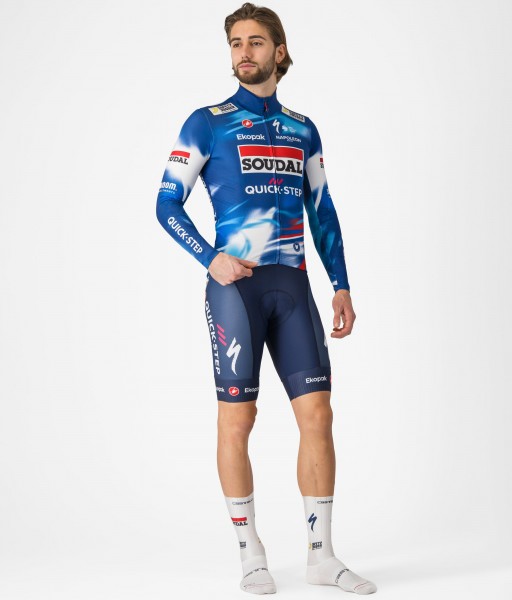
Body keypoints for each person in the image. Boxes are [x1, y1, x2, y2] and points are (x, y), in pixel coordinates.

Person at [156, 3, 377, 595]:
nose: (243, 52)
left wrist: (341, 283)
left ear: (279, 51)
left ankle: (321, 556)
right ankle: (251, 553)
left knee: (319, 415)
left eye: (255, 42)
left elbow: (322, 210)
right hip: (236, 289)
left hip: (294, 286)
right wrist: (211, 258)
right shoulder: (207, 123)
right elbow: (166, 203)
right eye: (235, 43)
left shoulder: (304, 129)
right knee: (239, 419)